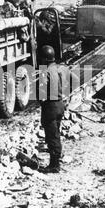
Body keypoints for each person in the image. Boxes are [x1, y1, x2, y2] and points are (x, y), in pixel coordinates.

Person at [38, 45, 66, 174]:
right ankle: (56, 160)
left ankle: (54, 165)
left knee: (51, 137)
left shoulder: (45, 71)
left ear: (44, 59)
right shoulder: (58, 69)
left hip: (51, 107)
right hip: (60, 104)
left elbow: (41, 94)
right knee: (56, 134)